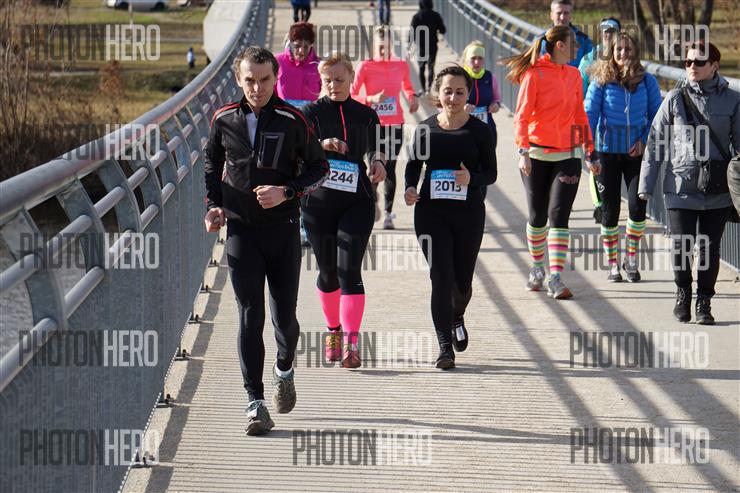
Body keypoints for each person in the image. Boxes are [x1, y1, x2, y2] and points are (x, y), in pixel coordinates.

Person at [203, 46, 329, 435]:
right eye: (249, 80)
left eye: (264, 80)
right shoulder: (223, 118)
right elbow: (211, 164)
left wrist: (286, 192)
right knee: (249, 314)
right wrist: (214, 205)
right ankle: (254, 402)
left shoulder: (294, 119)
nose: (257, 88)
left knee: (283, 319)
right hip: (241, 230)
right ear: (238, 80)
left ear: (276, 79)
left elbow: (319, 168)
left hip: (282, 229)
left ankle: (284, 369)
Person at [639, 41, 739, 325]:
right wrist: (645, 186)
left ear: (715, 66)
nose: (691, 66)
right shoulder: (675, 98)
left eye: (698, 62)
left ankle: (704, 301)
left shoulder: (733, 100)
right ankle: (683, 293)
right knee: (682, 245)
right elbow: (656, 142)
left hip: (717, 188)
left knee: (709, 248)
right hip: (679, 186)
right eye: (687, 62)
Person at [404, 65, 497, 369]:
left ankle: (457, 315)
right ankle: (445, 348)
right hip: (430, 212)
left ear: (468, 94)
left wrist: (472, 178)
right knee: (441, 277)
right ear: (438, 93)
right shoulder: (426, 129)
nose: (453, 98)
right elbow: (413, 165)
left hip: (468, 214)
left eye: (459, 92)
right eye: (448, 91)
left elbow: (491, 173)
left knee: (462, 283)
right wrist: (409, 188)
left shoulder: (479, 131)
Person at [301, 52, 387, 368]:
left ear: (352, 78)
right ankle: (333, 330)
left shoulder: (366, 114)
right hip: (318, 203)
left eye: (339, 79)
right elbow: (296, 151)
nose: (333, 85)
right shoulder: (309, 113)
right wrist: (322, 144)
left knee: (349, 269)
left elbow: (377, 148)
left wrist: (378, 162)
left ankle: (352, 344)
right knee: (328, 272)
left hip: (356, 200)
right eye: (328, 80)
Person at [502, 25, 597, 299]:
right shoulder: (534, 75)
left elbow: (579, 115)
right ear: (559, 46)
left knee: (559, 215)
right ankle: (537, 268)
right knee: (537, 216)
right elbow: (521, 116)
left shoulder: (574, 75)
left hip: (568, 154)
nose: (578, 48)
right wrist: (523, 151)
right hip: (536, 155)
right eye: (573, 44)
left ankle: (556, 276)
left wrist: (589, 150)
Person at [584, 33, 661, 283]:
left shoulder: (647, 81)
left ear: (635, 52)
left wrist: (643, 141)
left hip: (636, 154)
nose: (623, 54)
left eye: (628, 49)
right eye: (618, 49)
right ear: (611, 52)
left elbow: (656, 115)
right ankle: (612, 264)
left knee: (638, 208)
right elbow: (589, 114)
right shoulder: (601, 80)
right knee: (610, 210)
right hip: (607, 153)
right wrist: (589, 149)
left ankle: (631, 259)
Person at [352, 25, 419, 229]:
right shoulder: (365, 66)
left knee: (389, 167)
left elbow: (407, 86)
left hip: (395, 123)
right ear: (374, 46)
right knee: (374, 166)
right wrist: (370, 99)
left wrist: (412, 97)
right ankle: (373, 202)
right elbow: (352, 94)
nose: (383, 51)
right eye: (380, 47)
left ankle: (389, 213)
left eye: (387, 47)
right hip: (372, 125)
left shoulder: (401, 65)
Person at [276, 22, 322, 246]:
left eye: (306, 46)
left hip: (309, 130)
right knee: (283, 175)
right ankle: (283, 225)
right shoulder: (277, 63)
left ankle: (305, 228)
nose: (301, 50)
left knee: (305, 177)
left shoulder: (318, 66)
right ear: (290, 43)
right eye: (297, 45)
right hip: (282, 129)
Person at [579, 17, 620, 223]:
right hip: (595, 122)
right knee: (595, 163)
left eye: (612, 30)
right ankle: (599, 205)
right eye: (604, 30)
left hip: (618, 125)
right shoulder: (589, 59)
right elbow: (580, 90)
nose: (608, 34)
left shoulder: (625, 56)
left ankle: (609, 203)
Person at [461, 40, 501, 198]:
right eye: (473, 58)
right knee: (467, 167)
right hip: (465, 131)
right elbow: (442, 105)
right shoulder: (460, 78)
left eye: (480, 58)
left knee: (484, 169)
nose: (477, 62)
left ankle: (479, 203)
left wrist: (495, 105)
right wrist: (462, 109)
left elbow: (497, 99)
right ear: (467, 59)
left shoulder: (490, 77)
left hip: (487, 130)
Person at [408, 0, 446, 95]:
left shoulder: (416, 17)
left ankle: (423, 89)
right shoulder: (436, 15)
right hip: (432, 45)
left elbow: (412, 32)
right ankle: (429, 88)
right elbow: (443, 30)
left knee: (421, 68)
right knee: (431, 67)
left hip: (421, 46)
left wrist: (409, 43)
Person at [541, 0, 593, 68]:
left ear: (571, 15)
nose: (562, 17)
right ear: (551, 15)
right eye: (559, 13)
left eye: (566, 13)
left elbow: (590, 65)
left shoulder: (583, 39)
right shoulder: (542, 39)